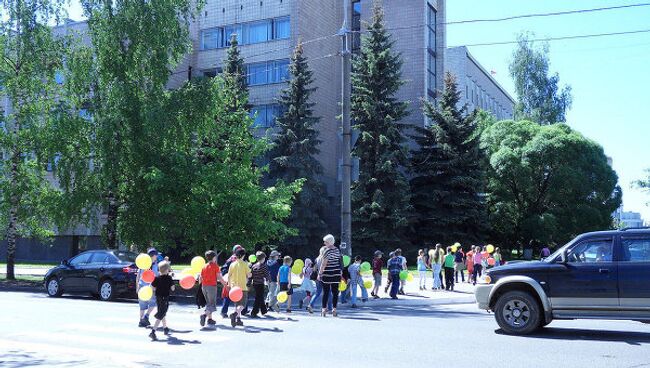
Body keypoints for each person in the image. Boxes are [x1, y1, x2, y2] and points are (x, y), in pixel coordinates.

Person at [148, 261, 174, 341]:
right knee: (161, 313)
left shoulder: (156, 278)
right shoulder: (169, 278)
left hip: (158, 298)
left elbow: (152, 287)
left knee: (162, 312)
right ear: (167, 270)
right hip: (165, 298)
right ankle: (153, 331)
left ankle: (165, 328)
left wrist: (155, 289)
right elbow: (173, 288)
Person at [199, 250, 226, 327]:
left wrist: (201, 286)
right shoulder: (215, 266)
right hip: (212, 286)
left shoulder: (204, 266)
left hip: (204, 286)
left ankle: (210, 319)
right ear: (214, 258)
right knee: (212, 304)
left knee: (208, 303)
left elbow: (200, 277)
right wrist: (225, 284)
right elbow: (219, 277)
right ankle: (204, 315)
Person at [318, 234, 342, 317]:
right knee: (335, 292)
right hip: (336, 273)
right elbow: (338, 261)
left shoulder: (326, 251)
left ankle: (324, 310)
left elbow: (324, 264)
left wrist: (320, 273)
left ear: (329, 242)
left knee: (326, 292)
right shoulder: (337, 250)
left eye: (325, 242)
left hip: (327, 273)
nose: (324, 243)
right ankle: (334, 310)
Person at [227, 248, 251, 328]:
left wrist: (229, 285)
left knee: (237, 304)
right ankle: (235, 314)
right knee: (243, 305)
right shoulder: (245, 264)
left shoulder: (232, 264)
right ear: (243, 255)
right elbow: (249, 275)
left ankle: (238, 319)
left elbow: (229, 275)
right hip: (242, 287)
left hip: (234, 288)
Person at [137, 248, 159, 327]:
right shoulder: (154, 265)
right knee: (153, 303)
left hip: (141, 286)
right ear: (153, 256)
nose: (157, 257)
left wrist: (137, 287)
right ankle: (146, 316)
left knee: (142, 305)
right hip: (150, 288)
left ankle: (141, 321)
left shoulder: (143, 263)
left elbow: (138, 276)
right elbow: (155, 277)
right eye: (156, 255)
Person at [220, 245, 244, 318]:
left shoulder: (236, 259)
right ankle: (224, 311)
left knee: (238, 295)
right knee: (230, 296)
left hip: (237, 280)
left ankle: (241, 311)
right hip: (232, 280)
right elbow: (224, 269)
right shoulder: (233, 259)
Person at [309, 247, 333, 311]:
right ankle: (330, 308)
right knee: (329, 293)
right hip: (326, 277)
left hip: (318, 277)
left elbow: (314, 269)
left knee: (317, 293)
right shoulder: (326, 258)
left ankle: (310, 305)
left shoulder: (317, 259)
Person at [250, 251, 270, 318]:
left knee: (260, 297)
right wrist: (268, 280)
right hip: (260, 284)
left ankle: (263, 310)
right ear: (263, 258)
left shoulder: (254, 266)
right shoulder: (263, 266)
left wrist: (249, 282)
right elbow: (267, 274)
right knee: (258, 298)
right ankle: (254, 311)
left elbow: (251, 275)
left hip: (255, 284)